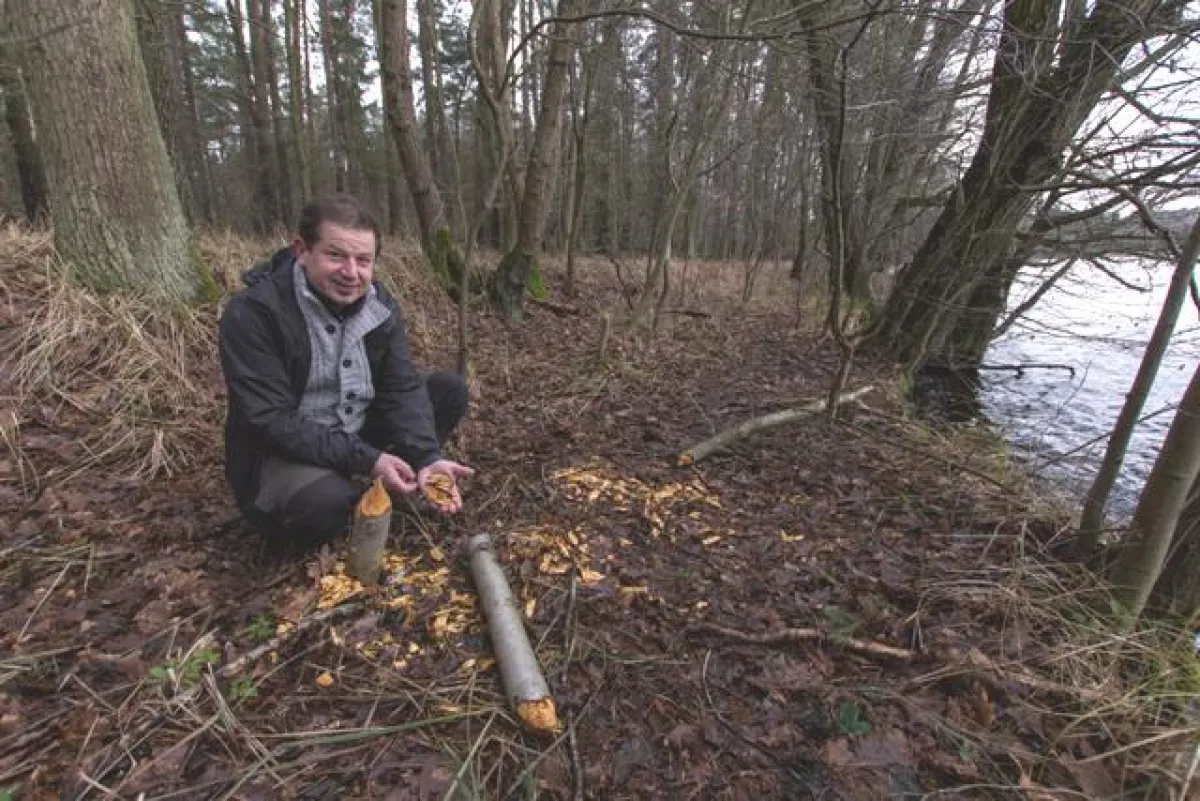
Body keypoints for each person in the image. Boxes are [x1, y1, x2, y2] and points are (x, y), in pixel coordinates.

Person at [218, 193, 473, 549]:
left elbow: (399, 389)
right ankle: (344, 492)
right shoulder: (254, 314)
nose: (351, 273)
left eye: (363, 260)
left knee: (448, 390)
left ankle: (395, 480)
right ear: (302, 251)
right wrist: (370, 460)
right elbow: (271, 420)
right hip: (284, 451)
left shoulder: (380, 306)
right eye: (336, 255)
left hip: (355, 433)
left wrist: (426, 457)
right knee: (324, 509)